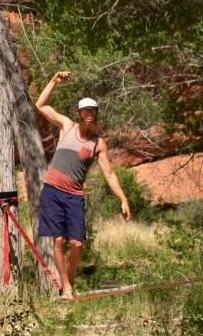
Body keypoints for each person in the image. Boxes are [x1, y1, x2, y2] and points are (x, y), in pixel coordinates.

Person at [35, 71, 131, 299]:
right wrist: (54, 81)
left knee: (77, 244)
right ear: (79, 114)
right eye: (86, 110)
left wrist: (123, 199)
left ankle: (69, 279)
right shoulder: (66, 126)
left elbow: (109, 174)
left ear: (96, 114)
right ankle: (67, 288)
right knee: (59, 240)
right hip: (52, 191)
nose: (90, 114)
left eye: (93, 111)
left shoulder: (98, 143)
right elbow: (41, 105)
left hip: (74, 196)